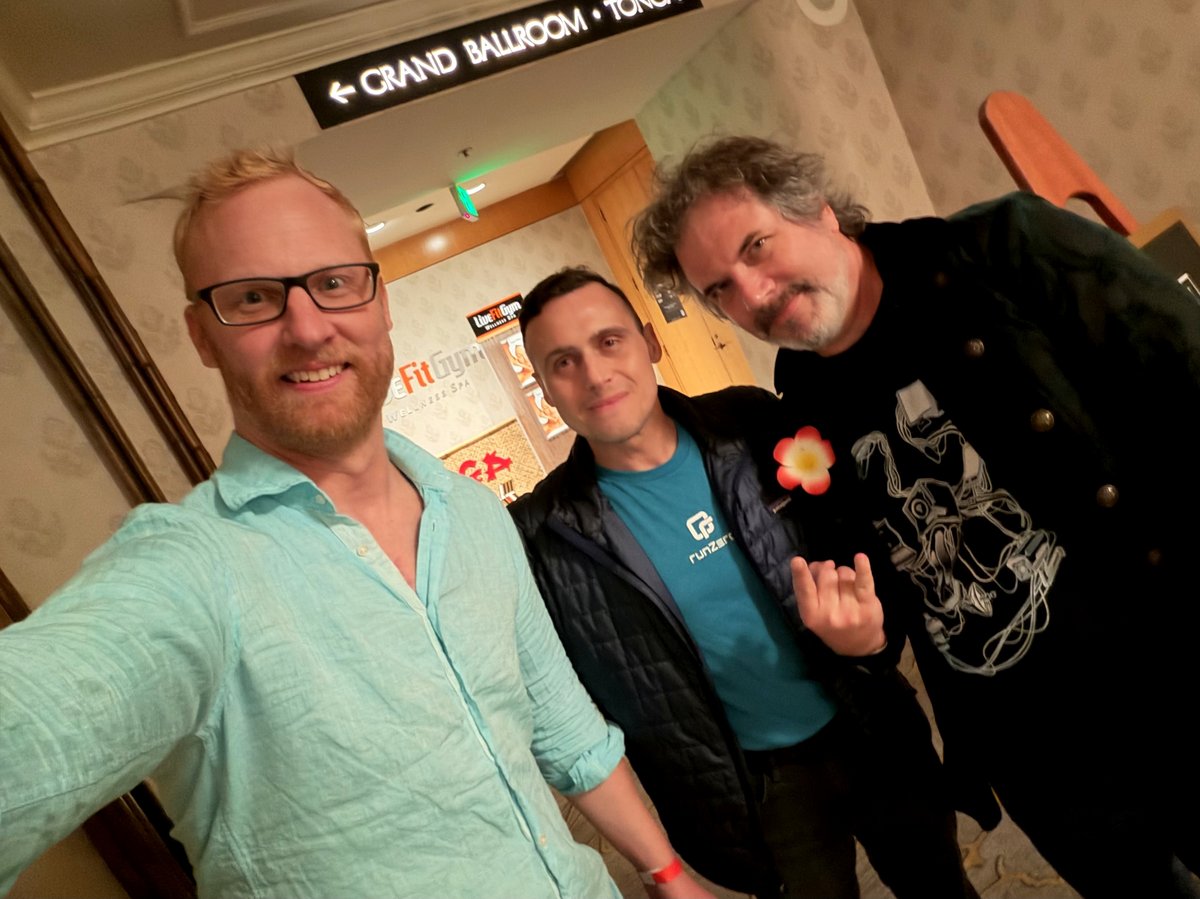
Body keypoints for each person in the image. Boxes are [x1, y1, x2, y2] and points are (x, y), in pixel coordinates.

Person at [0, 149, 715, 899]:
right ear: (203, 336)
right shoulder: (191, 569)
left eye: (334, 283)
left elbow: (565, 726)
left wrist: (668, 873)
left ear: (379, 301)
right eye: (253, 297)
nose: (308, 329)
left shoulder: (471, 511)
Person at [630, 134, 1200, 899]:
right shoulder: (801, 403)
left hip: (1167, 671)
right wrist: (865, 638)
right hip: (1038, 756)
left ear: (819, 209)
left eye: (756, 247)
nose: (753, 294)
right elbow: (891, 579)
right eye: (721, 288)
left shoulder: (1000, 251)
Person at [508, 266, 978, 899]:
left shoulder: (751, 423)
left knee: (942, 886)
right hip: (753, 793)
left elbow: (865, 535)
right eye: (563, 363)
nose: (595, 375)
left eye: (610, 341)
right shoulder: (543, 535)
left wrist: (874, 640)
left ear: (650, 341)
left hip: (868, 723)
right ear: (545, 389)